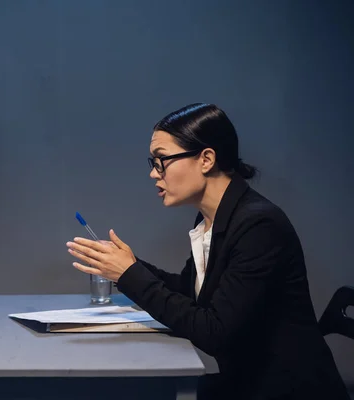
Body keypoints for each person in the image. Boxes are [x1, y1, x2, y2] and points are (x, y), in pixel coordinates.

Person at [66, 103, 349, 399]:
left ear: (206, 159)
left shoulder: (259, 225)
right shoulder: (212, 218)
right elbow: (191, 294)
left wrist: (129, 274)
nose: (153, 173)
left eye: (162, 160)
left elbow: (214, 332)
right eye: (152, 162)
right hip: (246, 383)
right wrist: (127, 265)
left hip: (286, 390)